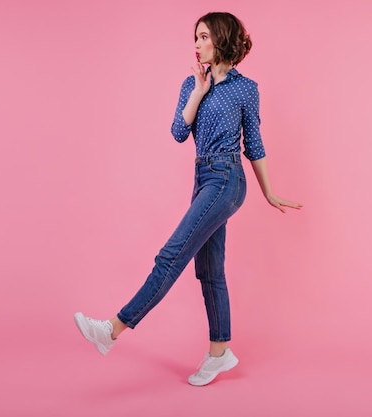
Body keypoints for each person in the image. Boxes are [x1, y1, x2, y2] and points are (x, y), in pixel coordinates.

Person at [74, 11, 302, 386]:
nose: (196, 45)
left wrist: (269, 191)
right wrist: (198, 91)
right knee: (208, 271)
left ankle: (111, 330)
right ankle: (220, 353)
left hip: (227, 179)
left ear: (222, 39)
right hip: (203, 178)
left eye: (203, 37)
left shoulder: (246, 89)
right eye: (194, 38)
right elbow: (179, 132)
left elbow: (254, 145)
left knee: (171, 255)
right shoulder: (192, 83)